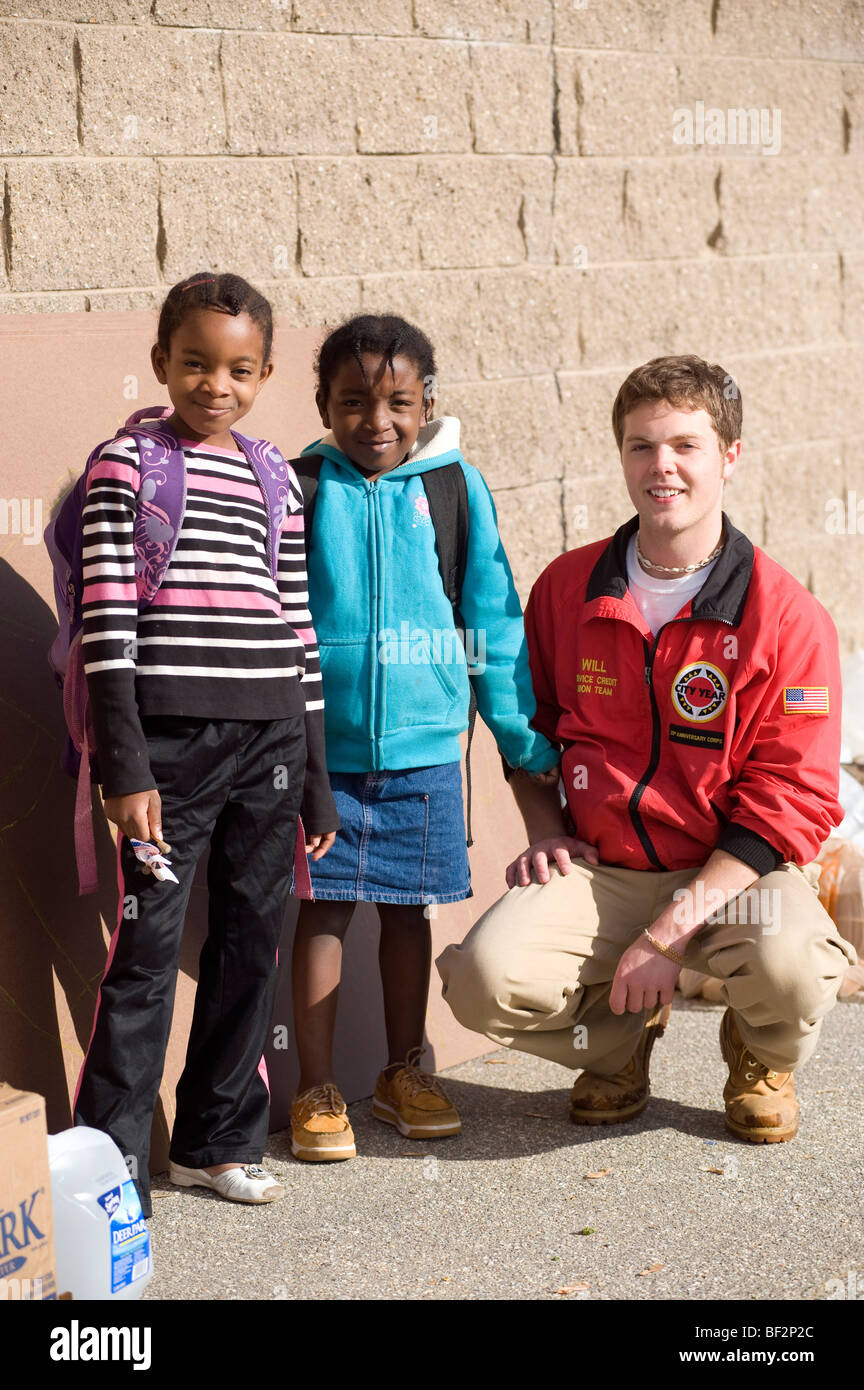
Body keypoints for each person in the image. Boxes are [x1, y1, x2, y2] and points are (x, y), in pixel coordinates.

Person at [437, 354, 856, 1144]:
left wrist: (667, 936)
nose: (661, 466)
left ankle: (760, 1054)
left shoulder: (787, 616)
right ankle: (621, 1044)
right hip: (608, 868)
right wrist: (545, 829)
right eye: (641, 446)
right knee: (481, 980)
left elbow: (792, 797)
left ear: (729, 455)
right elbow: (532, 731)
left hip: (734, 871)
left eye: (685, 446)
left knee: (799, 970)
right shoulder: (568, 588)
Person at [73, 272, 338, 1215]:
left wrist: (315, 778)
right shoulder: (127, 468)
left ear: (264, 375)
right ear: (162, 363)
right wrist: (125, 767)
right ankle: (105, 1171)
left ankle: (216, 1141)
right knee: (144, 954)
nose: (214, 385)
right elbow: (106, 627)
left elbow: (298, 631)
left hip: (268, 740)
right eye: (195, 363)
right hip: (169, 752)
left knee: (248, 943)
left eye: (237, 369)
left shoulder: (276, 478)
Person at [287, 314, 559, 1161]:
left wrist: (521, 741)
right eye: (354, 401)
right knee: (323, 912)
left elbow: (492, 621)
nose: (377, 421)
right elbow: (278, 617)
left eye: (398, 402)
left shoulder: (454, 489)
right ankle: (316, 1087)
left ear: (426, 401)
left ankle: (405, 1071)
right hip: (324, 755)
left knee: (410, 914)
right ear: (324, 404)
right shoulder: (299, 488)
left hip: (429, 751)